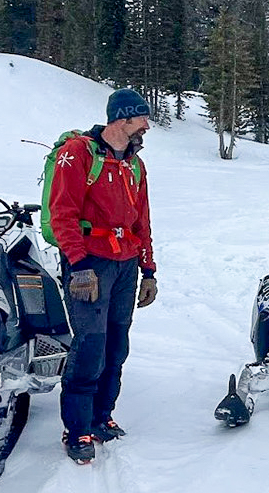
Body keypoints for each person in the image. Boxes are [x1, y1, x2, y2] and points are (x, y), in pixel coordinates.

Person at [48, 88, 159, 463]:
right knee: (90, 346)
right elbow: (62, 214)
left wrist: (149, 270)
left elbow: (142, 220)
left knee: (116, 345)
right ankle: (77, 428)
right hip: (90, 264)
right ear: (122, 119)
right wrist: (78, 266)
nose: (146, 126)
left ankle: (101, 417)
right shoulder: (77, 153)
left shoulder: (135, 164)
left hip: (126, 264)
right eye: (141, 118)